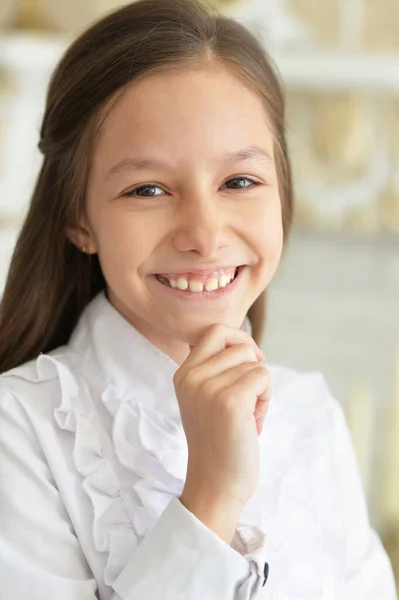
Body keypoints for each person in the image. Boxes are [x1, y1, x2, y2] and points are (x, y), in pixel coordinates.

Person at [0, 0, 396, 598]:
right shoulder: (19, 432)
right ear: (78, 218)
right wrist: (210, 495)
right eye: (149, 189)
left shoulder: (312, 416)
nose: (206, 235)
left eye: (239, 181)